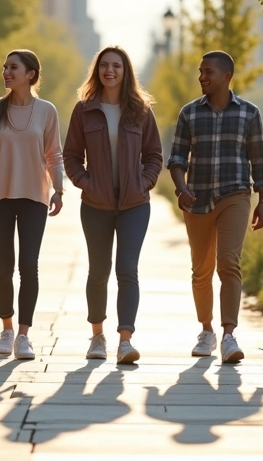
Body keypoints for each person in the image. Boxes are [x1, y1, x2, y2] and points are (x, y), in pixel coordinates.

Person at [167, 51, 263, 364]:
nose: (202, 77)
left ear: (226, 77)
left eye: (208, 72)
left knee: (228, 262)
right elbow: (176, 158)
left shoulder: (249, 113)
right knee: (201, 269)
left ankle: (228, 335)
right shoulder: (189, 114)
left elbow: (259, 159)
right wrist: (181, 188)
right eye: (200, 72)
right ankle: (206, 330)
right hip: (196, 199)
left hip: (235, 195)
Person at [63, 46, 163, 365]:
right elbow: (71, 157)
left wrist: (143, 182)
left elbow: (154, 156)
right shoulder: (84, 110)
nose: (110, 70)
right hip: (95, 205)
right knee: (98, 271)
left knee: (127, 270)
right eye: (104, 65)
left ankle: (125, 340)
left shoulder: (141, 110)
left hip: (134, 204)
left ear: (125, 72)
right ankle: (96, 336)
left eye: (116, 66)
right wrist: (87, 183)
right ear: (97, 70)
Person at [0, 50, 64, 361]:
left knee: (28, 267)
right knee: (3, 268)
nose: (6, 72)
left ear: (30, 74)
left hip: (34, 197)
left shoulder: (46, 111)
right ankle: (6, 329)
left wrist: (58, 189)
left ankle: (23, 335)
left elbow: (54, 154)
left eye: (13, 67)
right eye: (5, 66)